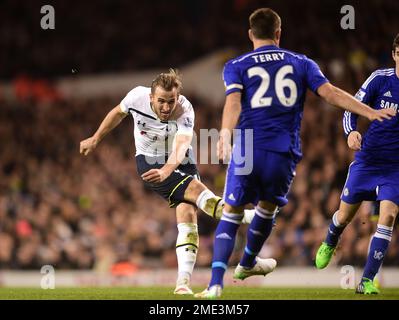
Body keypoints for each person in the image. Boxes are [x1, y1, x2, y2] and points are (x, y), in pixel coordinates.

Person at [195, 8, 395, 299]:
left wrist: (225, 133)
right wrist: (370, 112)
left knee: (232, 212)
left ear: (250, 34)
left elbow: (234, 103)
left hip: (248, 147)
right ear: (279, 33)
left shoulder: (236, 65)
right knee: (266, 209)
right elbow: (331, 93)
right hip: (282, 151)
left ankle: (215, 285)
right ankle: (248, 262)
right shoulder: (301, 62)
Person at [79, 69, 254, 295]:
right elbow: (117, 113)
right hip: (149, 161)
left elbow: (182, 145)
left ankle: (182, 283)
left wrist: (168, 170)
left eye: (170, 101)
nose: (165, 107)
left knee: (188, 216)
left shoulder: (185, 108)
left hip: (180, 160)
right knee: (197, 191)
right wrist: (95, 138)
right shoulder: (136, 97)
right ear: (151, 97)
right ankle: (251, 216)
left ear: (177, 97)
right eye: (161, 101)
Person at [315, 34, 399, 295]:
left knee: (388, 216)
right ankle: (332, 238)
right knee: (344, 216)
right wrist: (351, 132)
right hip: (369, 160)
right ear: (395, 53)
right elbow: (350, 107)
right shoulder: (379, 79)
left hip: (396, 168)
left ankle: (367, 280)